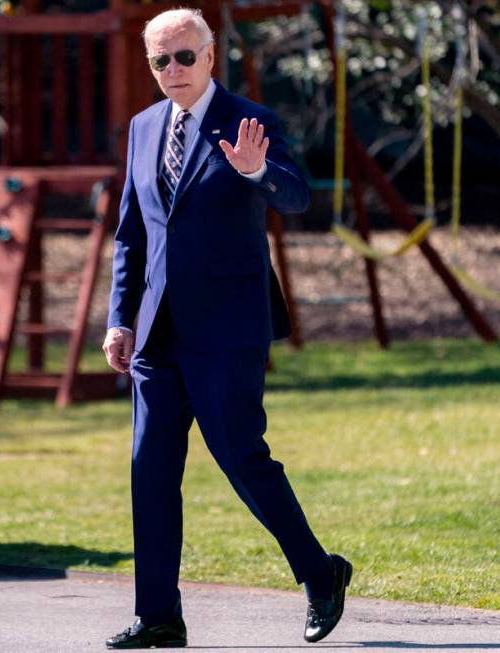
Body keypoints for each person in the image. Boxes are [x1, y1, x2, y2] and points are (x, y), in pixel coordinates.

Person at [102, 8, 351, 649]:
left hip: (228, 330)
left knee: (243, 460)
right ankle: (158, 613)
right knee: (149, 469)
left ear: (211, 56)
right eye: (162, 60)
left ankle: (320, 575)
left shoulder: (251, 122)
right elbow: (133, 235)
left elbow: (297, 196)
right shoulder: (142, 127)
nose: (174, 70)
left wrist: (253, 171)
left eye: (185, 56)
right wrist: (119, 319)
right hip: (157, 336)